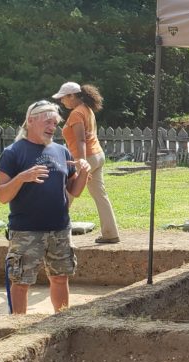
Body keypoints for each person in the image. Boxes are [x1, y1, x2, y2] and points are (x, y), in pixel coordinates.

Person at [0, 100, 90, 314]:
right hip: (26, 230)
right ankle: (18, 329)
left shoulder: (62, 151)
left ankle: (61, 321)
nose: (52, 127)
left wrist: (84, 172)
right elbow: (2, 195)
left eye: (55, 123)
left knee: (60, 277)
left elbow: (74, 191)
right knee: (21, 282)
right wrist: (22, 177)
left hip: (59, 228)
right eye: (48, 121)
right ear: (30, 121)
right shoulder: (13, 153)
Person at [52, 81, 120, 244]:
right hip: (97, 155)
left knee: (67, 194)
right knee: (100, 195)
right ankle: (111, 233)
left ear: (72, 96)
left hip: (86, 157)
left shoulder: (76, 113)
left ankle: (53, 231)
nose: (62, 101)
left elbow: (81, 139)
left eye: (63, 97)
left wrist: (81, 161)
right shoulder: (87, 110)